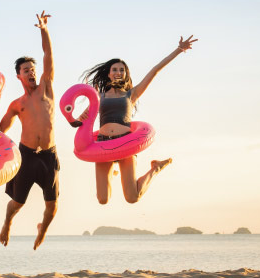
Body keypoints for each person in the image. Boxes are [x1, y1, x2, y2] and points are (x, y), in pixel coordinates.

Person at [80, 35, 197, 204]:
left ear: (126, 74)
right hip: (103, 143)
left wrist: (178, 50)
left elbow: (155, 70)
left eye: (122, 70)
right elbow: (85, 118)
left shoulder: (132, 94)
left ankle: (155, 168)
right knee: (103, 199)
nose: (118, 72)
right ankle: (112, 169)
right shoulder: (99, 96)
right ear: (109, 73)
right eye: (115, 69)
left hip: (126, 144)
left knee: (132, 197)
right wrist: (78, 118)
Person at [0, 11, 58, 250]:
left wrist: (44, 30)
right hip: (26, 155)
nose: (31, 72)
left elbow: (48, 54)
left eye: (32, 69)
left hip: (49, 155)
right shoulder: (17, 104)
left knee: (52, 206)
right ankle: (7, 223)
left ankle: (43, 229)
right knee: (17, 203)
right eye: (26, 70)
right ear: (18, 75)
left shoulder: (46, 88)